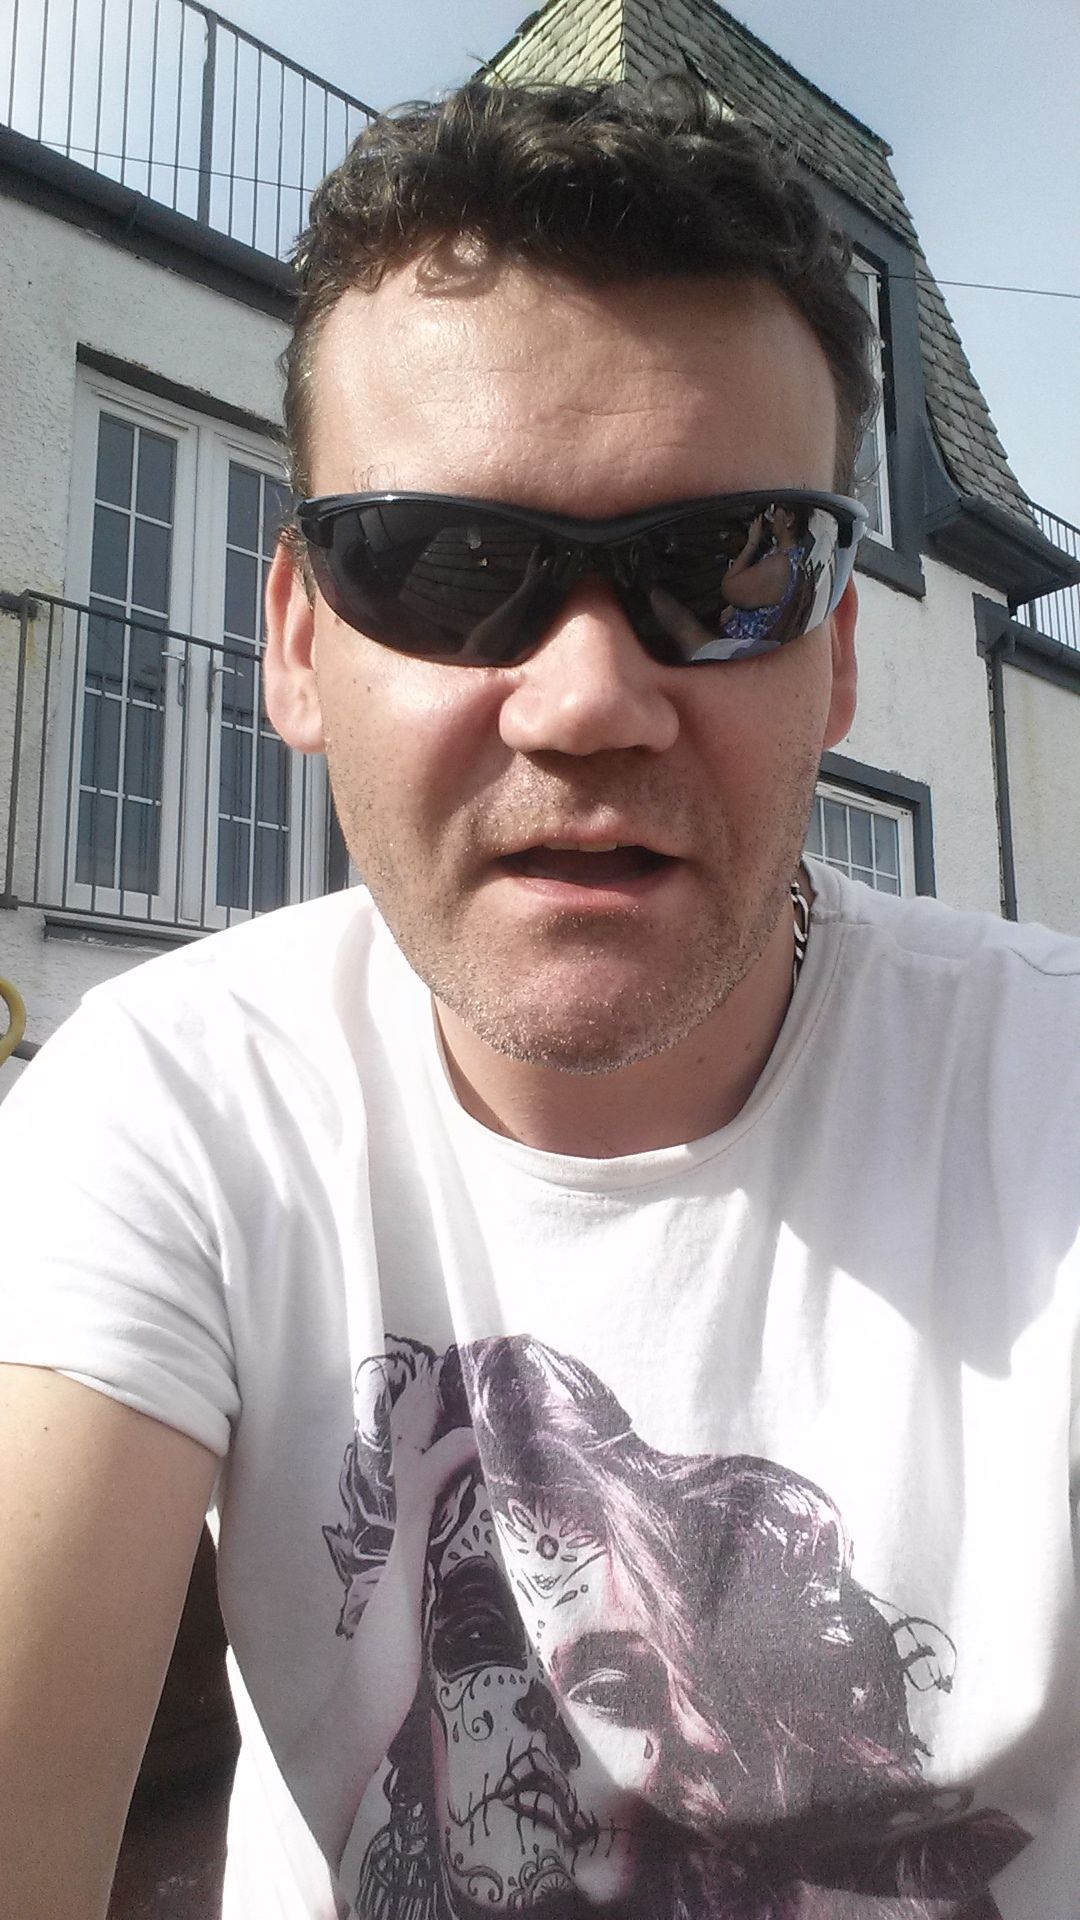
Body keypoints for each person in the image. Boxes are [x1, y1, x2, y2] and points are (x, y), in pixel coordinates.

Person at [0, 76, 1077, 1920]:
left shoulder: (1048, 1098)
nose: (585, 702)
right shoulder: (168, 1106)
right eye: (447, 565)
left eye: (727, 570)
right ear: (297, 641)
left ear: (834, 657)